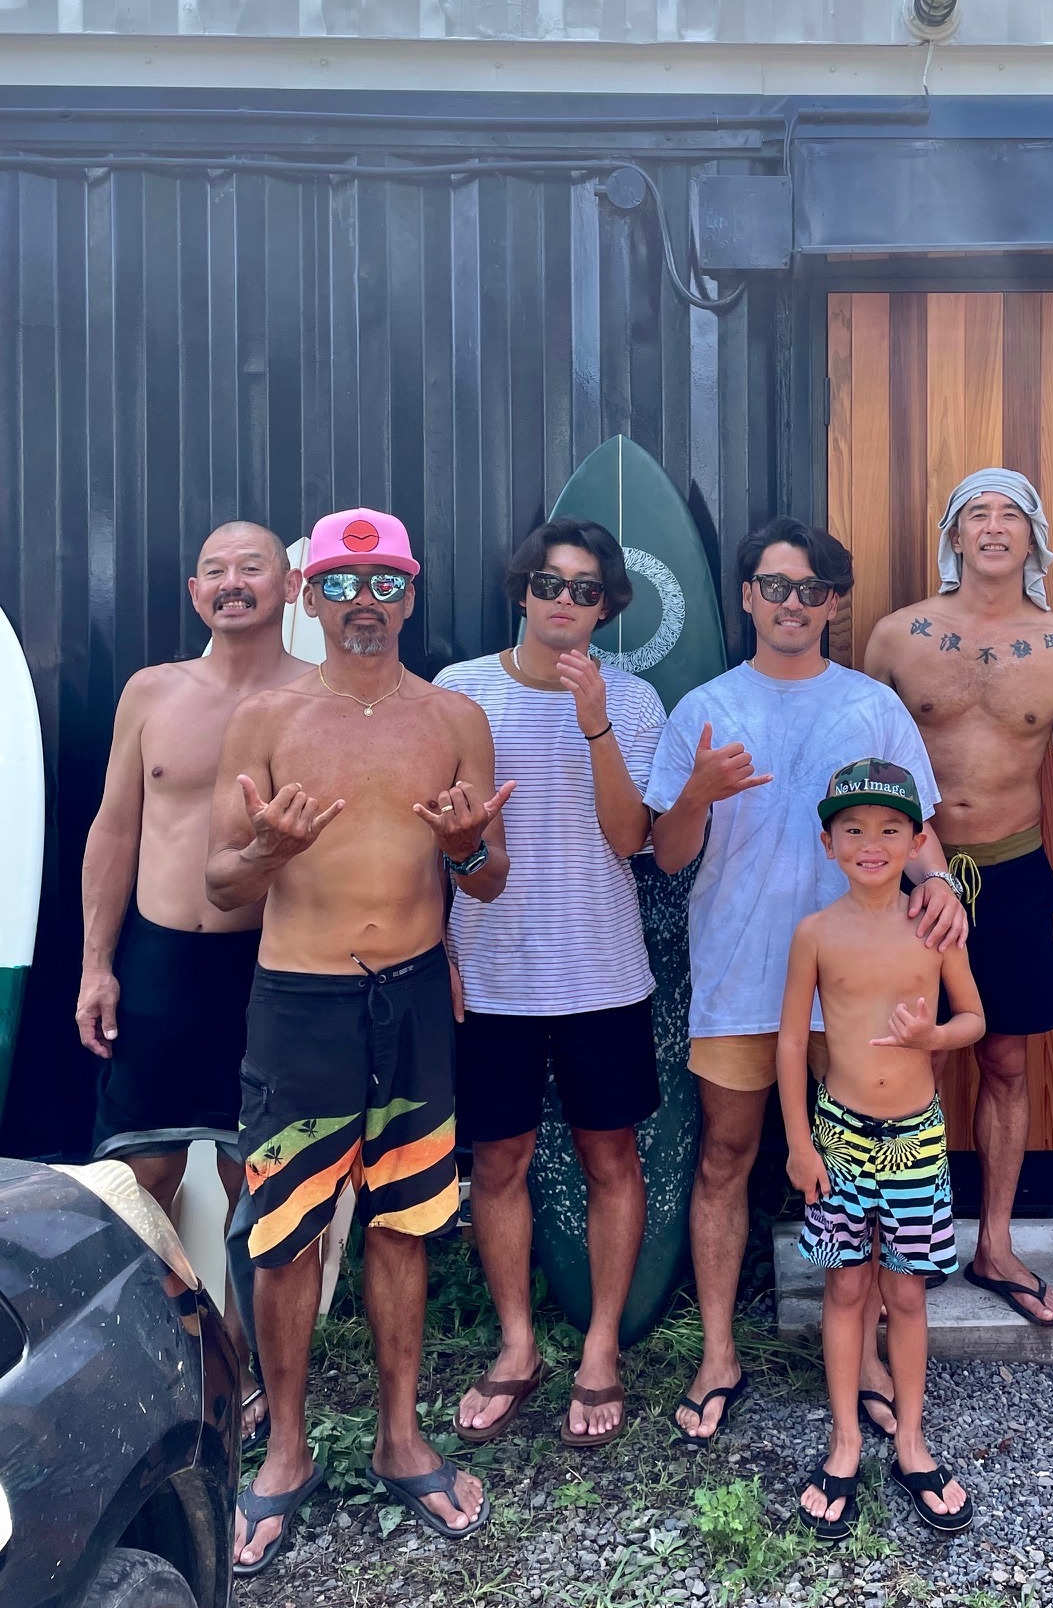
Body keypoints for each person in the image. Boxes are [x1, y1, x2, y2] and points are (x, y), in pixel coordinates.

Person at [205, 508, 510, 1572]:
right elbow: (219, 882)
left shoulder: (454, 716)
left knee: (406, 1222)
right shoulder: (266, 719)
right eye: (340, 584)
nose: (363, 603)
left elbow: (489, 879)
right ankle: (285, 1450)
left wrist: (465, 850)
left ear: (411, 595)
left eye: (383, 584)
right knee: (286, 1233)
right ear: (308, 597)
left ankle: (399, 1437)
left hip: (413, 1002)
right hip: (300, 1004)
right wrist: (266, 853)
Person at [645, 517, 969, 1445]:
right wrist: (699, 792)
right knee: (726, 1158)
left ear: (833, 604)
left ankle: (862, 1353)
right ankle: (718, 1353)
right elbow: (667, 856)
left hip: (864, 991)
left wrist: (942, 886)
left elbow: (917, 832)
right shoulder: (704, 708)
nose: (792, 603)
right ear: (747, 596)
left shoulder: (873, 706)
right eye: (775, 586)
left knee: (861, 1168)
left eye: (812, 589)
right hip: (739, 974)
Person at [437, 519, 666, 1450]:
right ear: (521, 589)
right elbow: (433, 836)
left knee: (612, 1160)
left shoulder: (635, 700)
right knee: (498, 1164)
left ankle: (601, 1346)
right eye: (548, 581)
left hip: (601, 970)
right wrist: (439, 947)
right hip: (491, 974)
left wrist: (595, 720)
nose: (563, 599)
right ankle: (518, 1345)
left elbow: (630, 838)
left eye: (584, 588)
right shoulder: (460, 690)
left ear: (607, 606)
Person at [77, 521, 308, 1441]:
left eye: (252, 567)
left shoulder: (315, 698)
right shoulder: (152, 692)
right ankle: (170, 1361)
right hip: (160, 960)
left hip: (270, 963)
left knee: (259, 1174)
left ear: (290, 586)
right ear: (195, 592)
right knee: (143, 1173)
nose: (232, 582)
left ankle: (243, 1372)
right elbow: (114, 829)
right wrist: (97, 964)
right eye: (215, 570)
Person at [864, 469, 1053, 1328]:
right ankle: (905, 1246)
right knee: (910, 1062)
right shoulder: (897, 637)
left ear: (1034, 536)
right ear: (955, 535)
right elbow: (867, 761)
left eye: (1012, 514)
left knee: (1005, 1060)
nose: (995, 526)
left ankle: (995, 1245)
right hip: (907, 875)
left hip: (1011, 873)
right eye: (978, 513)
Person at [779, 760, 983, 1542]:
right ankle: (844, 1442)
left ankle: (911, 1442)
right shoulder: (816, 933)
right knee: (844, 1289)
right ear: (827, 844)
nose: (872, 843)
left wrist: (934, 1037)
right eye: (854, 830)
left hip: (917, 1140)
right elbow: (791, 1042)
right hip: (839, 1137)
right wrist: (798, 1143)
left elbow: (975, 1018)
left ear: (917, 840)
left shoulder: (934, 927)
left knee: (907, 1295)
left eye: (891, 829)